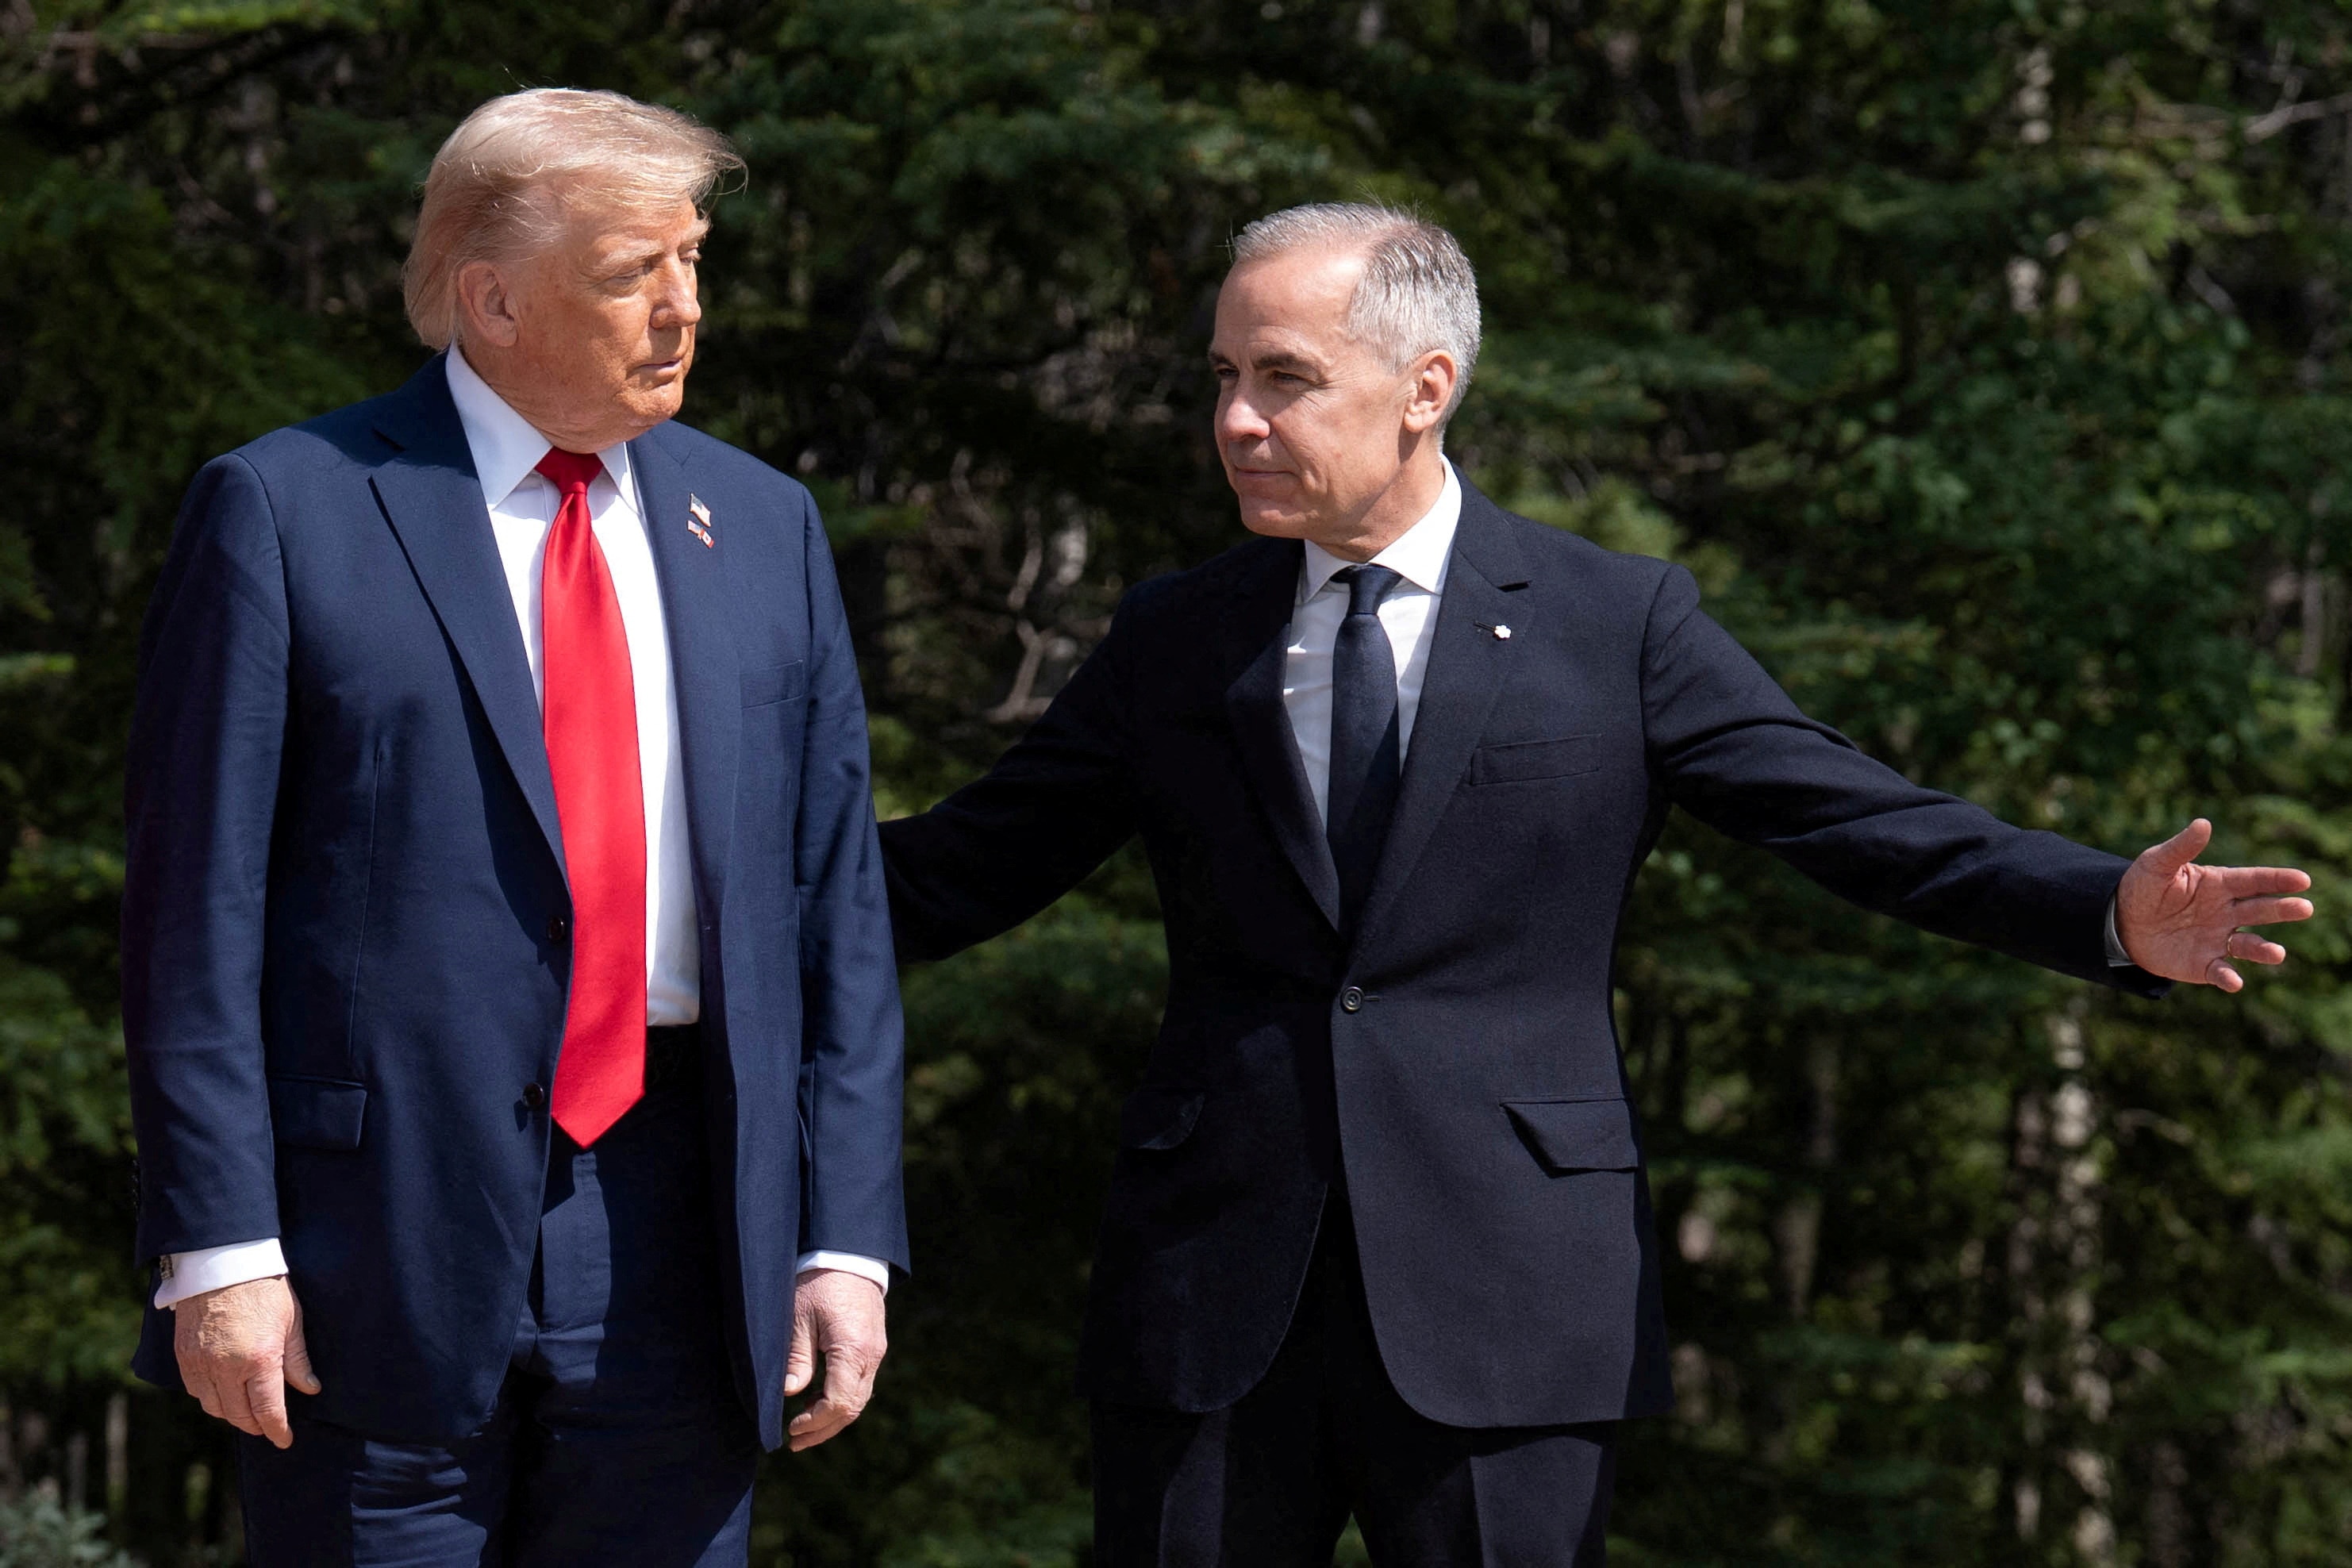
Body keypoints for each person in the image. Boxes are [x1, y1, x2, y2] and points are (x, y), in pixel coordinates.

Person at [876, 203, 2315, 1565]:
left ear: (1425, 386)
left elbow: (1855, 818)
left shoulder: (1613, 624)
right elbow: (956, 871)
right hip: (1211, 1300)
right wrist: (692, 895)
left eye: (1285, 378)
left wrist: (2102, 912)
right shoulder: (1176, 635)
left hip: (1511, 1301)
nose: (1236, 421)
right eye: (1225, 375)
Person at [121, 88, 905, 1565]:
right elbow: (192, 916)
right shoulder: (289, 509)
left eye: (693, 264)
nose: (681, 310)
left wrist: (843, 1234)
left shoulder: (765, 525)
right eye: (630, 272)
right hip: (370, 1245)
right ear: (489, 296)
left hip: (689, 1217)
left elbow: (832, 909)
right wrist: (220, 1244)